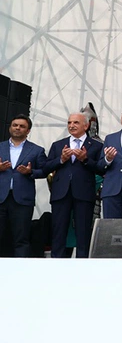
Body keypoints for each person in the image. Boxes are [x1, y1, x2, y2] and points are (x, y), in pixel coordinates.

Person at [46, 111, 102, 258]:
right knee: (58, 231)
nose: (71, 125)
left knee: (83, 232)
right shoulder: (58, 145)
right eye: (69, 123)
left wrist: (85, 159)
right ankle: (57, 263)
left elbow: (101, 169)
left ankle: (82, 265)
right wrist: (61, 159)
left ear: (86, 126)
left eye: (76, 122)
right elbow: (46, 167)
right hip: (61, 193)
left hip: (84, 194)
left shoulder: (96, 146)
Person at [0, 115, 47, 257]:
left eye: (22, 126)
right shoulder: (0, 147)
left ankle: (20, 268)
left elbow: (45, 171)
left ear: (28, 131)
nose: (17, 128)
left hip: (22, 200)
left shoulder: (37, 150)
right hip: (1, 197)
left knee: (21, 239)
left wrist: (30, 172)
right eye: (15, 125)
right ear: (10, 128)